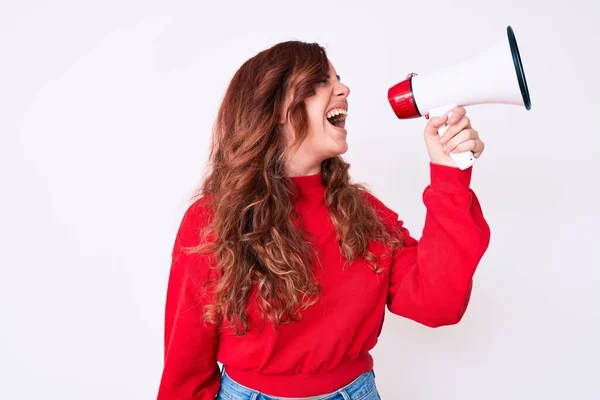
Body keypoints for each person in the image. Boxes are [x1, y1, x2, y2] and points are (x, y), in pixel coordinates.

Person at [156, 41, 490, 400]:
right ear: (275, 107)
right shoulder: (211, 220)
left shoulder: (364, 213)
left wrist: (449, 174)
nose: (344, 89)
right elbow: (186, 359)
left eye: (339, 79)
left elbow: (438, 303)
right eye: (321, 81)